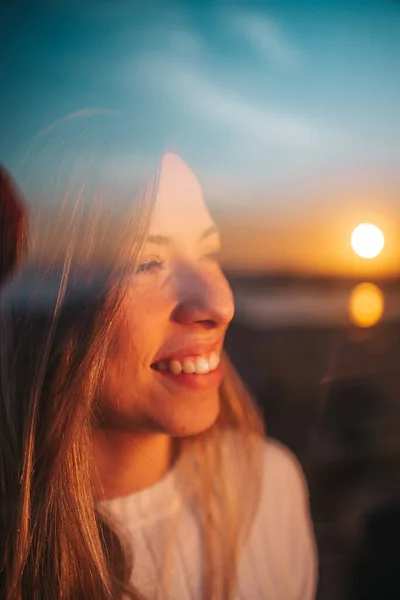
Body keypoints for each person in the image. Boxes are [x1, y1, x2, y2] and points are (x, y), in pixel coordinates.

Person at [0, 149, 317, 600]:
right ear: (46, 309)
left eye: (209, 251)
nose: (221, 304)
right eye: (146, 263)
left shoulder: (268, 488)